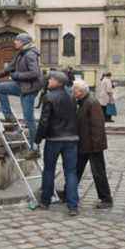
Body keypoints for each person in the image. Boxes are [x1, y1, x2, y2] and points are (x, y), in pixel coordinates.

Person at [35, 71, 79, 215]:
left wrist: (37, 139)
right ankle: (73, 205)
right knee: (71, 172)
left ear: (58, 82)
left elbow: (44, 121)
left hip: (54, 139)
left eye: (51, 79)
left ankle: (45, 201)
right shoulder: (72, 97)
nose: (48, 81)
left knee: (49, 170)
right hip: (71, 139)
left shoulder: (49, 97)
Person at [0, 33, 43, 150]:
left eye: (17, 40)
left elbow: (35, 73)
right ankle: (8, 115)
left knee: (29, 118)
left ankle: (34, 147)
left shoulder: (30, 55)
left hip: (29, 89)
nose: (15, 42)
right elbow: (9, 68)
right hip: (21, 85)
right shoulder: (21, 53)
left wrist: (17, 75)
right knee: (0, 88)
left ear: (23, 42)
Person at [70, 79, 113, 209]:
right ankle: (69, 193)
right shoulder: (82, 102)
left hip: (93, 146)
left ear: (81, 91)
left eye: (74, 90)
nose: (72, 92)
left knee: (98, 172)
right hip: (83, 144)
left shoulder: (92, 103)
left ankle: (106, 198)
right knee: (76, 170)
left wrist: (96, 145)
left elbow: (98, 126)